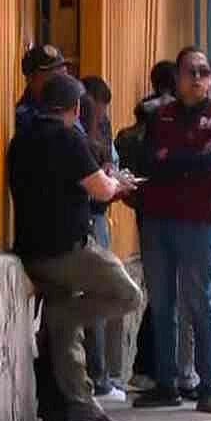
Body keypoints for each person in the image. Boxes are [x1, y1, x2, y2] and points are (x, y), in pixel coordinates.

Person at [6, 73, 143, 421]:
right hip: (66, 251)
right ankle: (61, 316)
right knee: (128, 294)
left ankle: (79, 406)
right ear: (76, 108)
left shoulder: (20, 140)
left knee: (67, 332)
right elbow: (99, 189)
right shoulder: (68, 138)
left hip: (30, 251)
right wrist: (119, 184)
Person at [134, 46, 211, 414]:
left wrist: (172, 160)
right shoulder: (160, 116)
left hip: (197, 221)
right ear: (176, 79)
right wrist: (189, 161)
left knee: (199, 302)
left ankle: (210, 384)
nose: (197, 78)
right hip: (158, 220)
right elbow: (148, 160)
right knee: (161, 303)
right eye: (190, 72)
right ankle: (167, 382)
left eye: (203, 72)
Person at [122, 59, 180, 392]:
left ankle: (147, 367)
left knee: (159, 292)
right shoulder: (172, 122)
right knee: (169, 295)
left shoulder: (130, 131)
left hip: (145, 212)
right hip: (174, 213)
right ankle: (159, 368)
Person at [77, 76, 128, 402]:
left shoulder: (100, 127)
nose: (101, 118)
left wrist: (111, 170)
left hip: (97, 216)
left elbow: (108, 161)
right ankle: (98, 376)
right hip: (90, 217)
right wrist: (112, 182)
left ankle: (102, 374)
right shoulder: (77, 135)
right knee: (103, 292)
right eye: (98, 111)